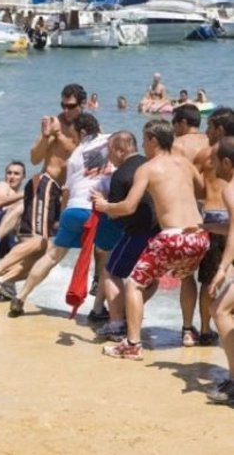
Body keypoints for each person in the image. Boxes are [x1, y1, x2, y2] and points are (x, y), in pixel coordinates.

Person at [93, 119, 209, 360]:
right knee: (187, 278)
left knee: (134, 284)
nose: (143, 145)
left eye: (145, 140)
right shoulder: (186, 164)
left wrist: (105, 206)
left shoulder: (147, 168)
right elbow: (203, 193)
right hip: (198, 235)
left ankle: (133, 345)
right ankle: (188, 331)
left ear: (154, 140)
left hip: (172, 237)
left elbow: (127, 207)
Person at [0, 113, 119, 318]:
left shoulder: (74, 157)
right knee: (107, 260)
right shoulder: (112, 140)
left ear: (81, 133)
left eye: (74, 135)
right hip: (97, 210)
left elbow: (67, 191)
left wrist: (61, 217)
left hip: (72, 210)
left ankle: (22, 297)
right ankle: (98, 309)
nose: (74, 139)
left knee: (53, 256)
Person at [0, 83, 86, 303]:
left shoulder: (88, 127)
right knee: (38, 242)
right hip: (45, 184)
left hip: (64, 196)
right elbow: (35, 158)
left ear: (82, 104)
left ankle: (4, 282)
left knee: (45, 250)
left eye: (70, 106)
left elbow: (83, 156)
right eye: (62, 105)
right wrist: (46, 137)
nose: (65, 110)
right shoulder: (54, 123)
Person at [94, 131, 160, 342]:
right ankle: (131, 313)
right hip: (160, 231)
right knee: (148, 279)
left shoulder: (121, 174)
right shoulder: (150, 164)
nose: (108, 156)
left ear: (120, 150)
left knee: (111, 272)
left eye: (110, 151)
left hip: (137, 232)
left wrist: (102, 204)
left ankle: (116, 324)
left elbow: (116, 214)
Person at [186, 107, 234, 346]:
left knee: (208, 278)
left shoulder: (209, 153)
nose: (206, 132)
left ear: (220, 129)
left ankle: (205, 330)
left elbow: (192, 184)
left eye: (210, 127)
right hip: (228, 219)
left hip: (214, 216)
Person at [206, 136, 234, 405]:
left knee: (220, 309)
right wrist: (208, 227)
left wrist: (222, 269)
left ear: (227, 162)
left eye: (214, 161)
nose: (210, 166)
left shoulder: (230, 189)